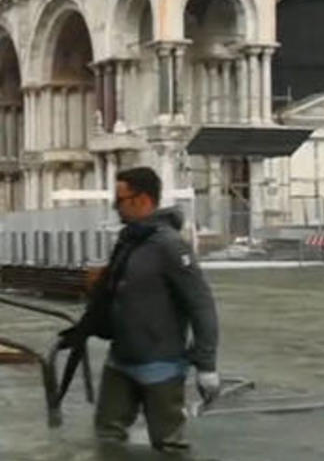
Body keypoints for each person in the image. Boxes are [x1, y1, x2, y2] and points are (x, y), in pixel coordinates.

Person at [58, 167, 220, 451]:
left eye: (120, 200)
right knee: (107, 436)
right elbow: (117, 296)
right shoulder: (129, 240)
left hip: (161, 365)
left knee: (168, 445)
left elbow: (201, 304)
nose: (115, 208)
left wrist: (206, 366)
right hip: (121, 361)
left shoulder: (170, 246)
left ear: (142, 200)